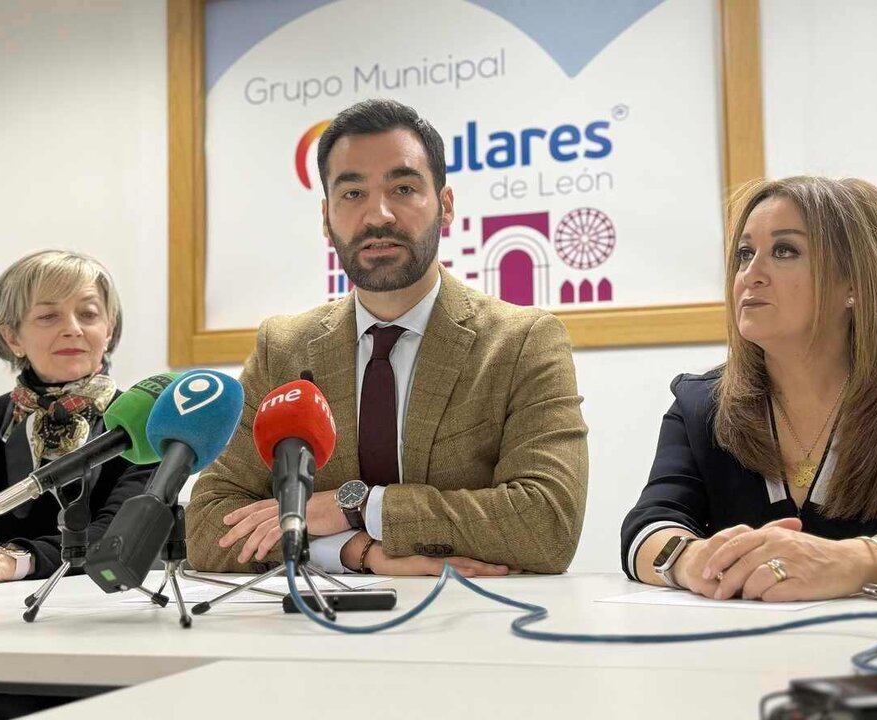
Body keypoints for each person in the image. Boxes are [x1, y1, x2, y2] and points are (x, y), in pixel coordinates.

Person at [187, 98, 588, 577]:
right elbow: (209, 525)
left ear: (445, 206)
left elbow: (547, 523)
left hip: (478, 625)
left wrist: (357, 506)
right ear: (325, 217)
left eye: (403, 188)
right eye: (353, 194)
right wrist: (356, 551)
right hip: (314, 634)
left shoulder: (522, 342)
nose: (378, 215)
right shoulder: (284, 348)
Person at [621, 176, 877, 602]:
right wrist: (691, 560)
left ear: (853, 284)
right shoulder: (699, 402)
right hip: (742, 658)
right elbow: (648, 526)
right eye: (744, 254)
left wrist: (854, 562)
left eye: (784, 251)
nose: (750, 275)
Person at [0, 250, 152, 718]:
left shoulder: (145, 426)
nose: (73, 328)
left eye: (89, 313)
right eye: (48, 315)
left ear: (109, 329)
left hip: (113, 642)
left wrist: (8, 563)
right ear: (11, 336)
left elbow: (116, 538)